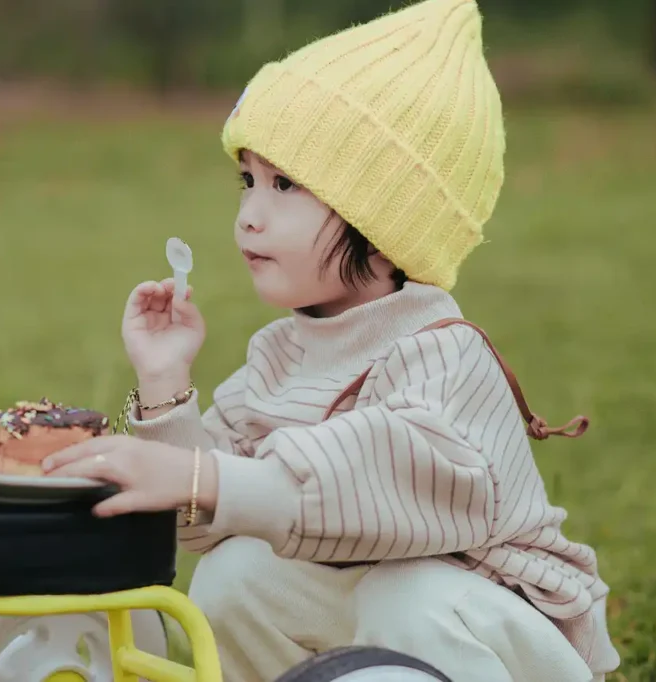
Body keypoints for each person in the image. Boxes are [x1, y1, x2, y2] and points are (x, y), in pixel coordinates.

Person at [42, 0, 619, 680]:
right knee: (234, 574)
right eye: (248, 181)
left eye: (285, 184)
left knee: (409, 597)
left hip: (495, 621)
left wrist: (209, 477)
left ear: (385, 228)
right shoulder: (279, 355)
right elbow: (203, 518)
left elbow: (380, 476)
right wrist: (166, 383)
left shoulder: (445, 354)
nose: (249, 215)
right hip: (374, 606)